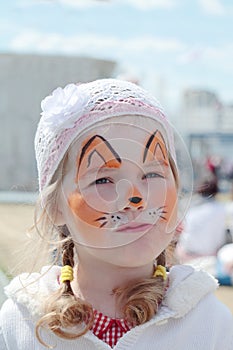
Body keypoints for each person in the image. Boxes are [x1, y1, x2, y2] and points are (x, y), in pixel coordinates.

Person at [0, 79, 232, 349]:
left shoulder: (209, 324)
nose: (135, 198)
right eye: (103, 180)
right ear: (54, 206)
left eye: (153, 174)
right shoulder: (20, 324)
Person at [176, 174, 227, 263]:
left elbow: (186, 239)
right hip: (213, 256)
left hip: (190, 256)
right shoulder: (222, 208)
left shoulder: (191, 209)